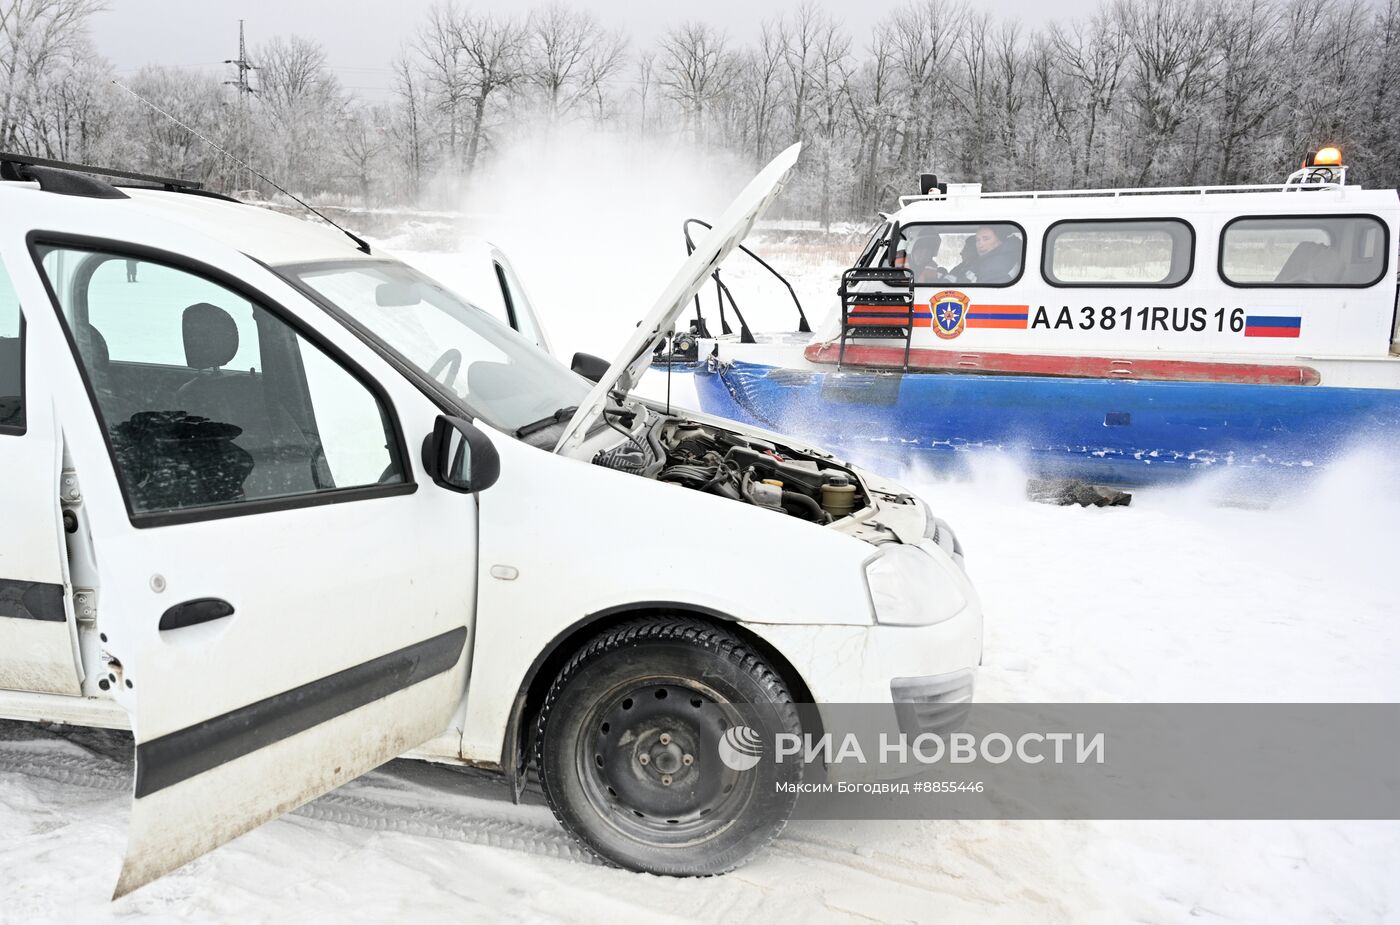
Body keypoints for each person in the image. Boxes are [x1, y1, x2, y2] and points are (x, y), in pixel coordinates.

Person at [953, 226, 1020, 284]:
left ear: (1000, 241)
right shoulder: (984, 262)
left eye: (986, 239)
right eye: (977, 240)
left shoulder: (995, 267)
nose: (980, 245)